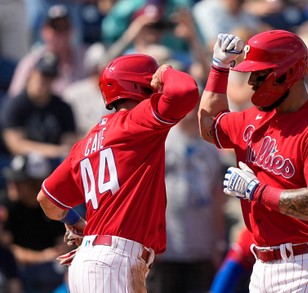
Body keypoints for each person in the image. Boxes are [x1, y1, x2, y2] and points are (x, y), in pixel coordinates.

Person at [198, 30, 308, 292]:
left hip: (307, 266)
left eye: (258, 75)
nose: (251, 84)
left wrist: (257, 191)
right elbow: (209, 125)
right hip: (262, 264)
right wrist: (219, 68)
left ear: (287, 73)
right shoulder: (253, 118)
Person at [36, 54, 200, 292]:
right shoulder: (135, 122)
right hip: (114, 261)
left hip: (97, 260)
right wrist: (165, 72)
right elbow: (185, 90)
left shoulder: (86, 143)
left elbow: (47, 201)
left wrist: (77, 223)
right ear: (140, 86)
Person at [146, 106, 226, 293]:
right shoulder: (161, 142)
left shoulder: (211, 148)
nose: (189, 110)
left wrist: (218, 243)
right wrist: (149, 240)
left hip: (202, 251)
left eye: (194, 104)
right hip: (165, 251)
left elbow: (217, 198)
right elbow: (148, 194)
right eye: (186, 104)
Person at [2, 154, 68, 293]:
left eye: (19, 180)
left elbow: (62, 239)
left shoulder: (53, 206)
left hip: (51, 272)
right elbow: (5, 249)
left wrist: (62, 247)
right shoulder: (6, 205)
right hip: (16, 273)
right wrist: (41, 257)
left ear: (36, 184)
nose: (12, 183)